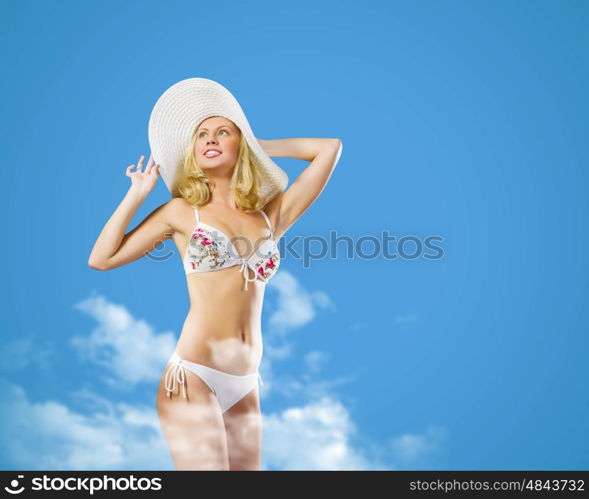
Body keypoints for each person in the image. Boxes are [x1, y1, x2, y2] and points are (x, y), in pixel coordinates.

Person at [88, 78, 342, 470]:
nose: (211, 138)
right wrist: (136, 196)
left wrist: (256, 144)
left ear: (239, 144)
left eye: (223, 131)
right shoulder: (181, 212)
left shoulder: (268, 217)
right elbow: (102, 259)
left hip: (245, 385)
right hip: (193, 378)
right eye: (202, 134)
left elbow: (329, 149)